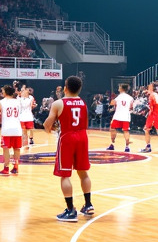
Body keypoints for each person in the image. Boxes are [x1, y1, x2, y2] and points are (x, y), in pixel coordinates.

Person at [43, 76, 94, 222]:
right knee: (83, 172)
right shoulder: (83, 103)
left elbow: (48, 124)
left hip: (67, 138)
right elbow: (85, 122)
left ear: (65, 88)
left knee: (65, 174)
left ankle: (71, 210)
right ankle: (88, 204)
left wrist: (49, 129)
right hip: (82, 137)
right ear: (79, 89)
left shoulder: (58, 103)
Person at [0, 85, 23, 176]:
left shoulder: (1, 103)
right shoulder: (18, 102)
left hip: (7, 129)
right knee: (16, 149)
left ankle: (6, 168)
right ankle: (16, 167)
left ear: (5, 92)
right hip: (17, 128)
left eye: (2, 91)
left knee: (6, 149)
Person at [140, 82, 158, 154]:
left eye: (148, 88)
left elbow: (151, 108)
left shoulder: (151, 96)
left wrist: (148, 115)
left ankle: (148, 147)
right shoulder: (157, 95)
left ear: (151, 88)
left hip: (153, 115)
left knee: (146, 130)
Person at [106, 83, 133, 152]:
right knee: (126, 131)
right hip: (126, 116)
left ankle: (112, 144)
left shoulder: (118, 97)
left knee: (112, 128)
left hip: (117, 115)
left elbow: (112, 104)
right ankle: (127, 147)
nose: (118, 88)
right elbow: (131, 107)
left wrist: (111, 99)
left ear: (122, 89)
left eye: (119, 87)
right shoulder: (130, 98)